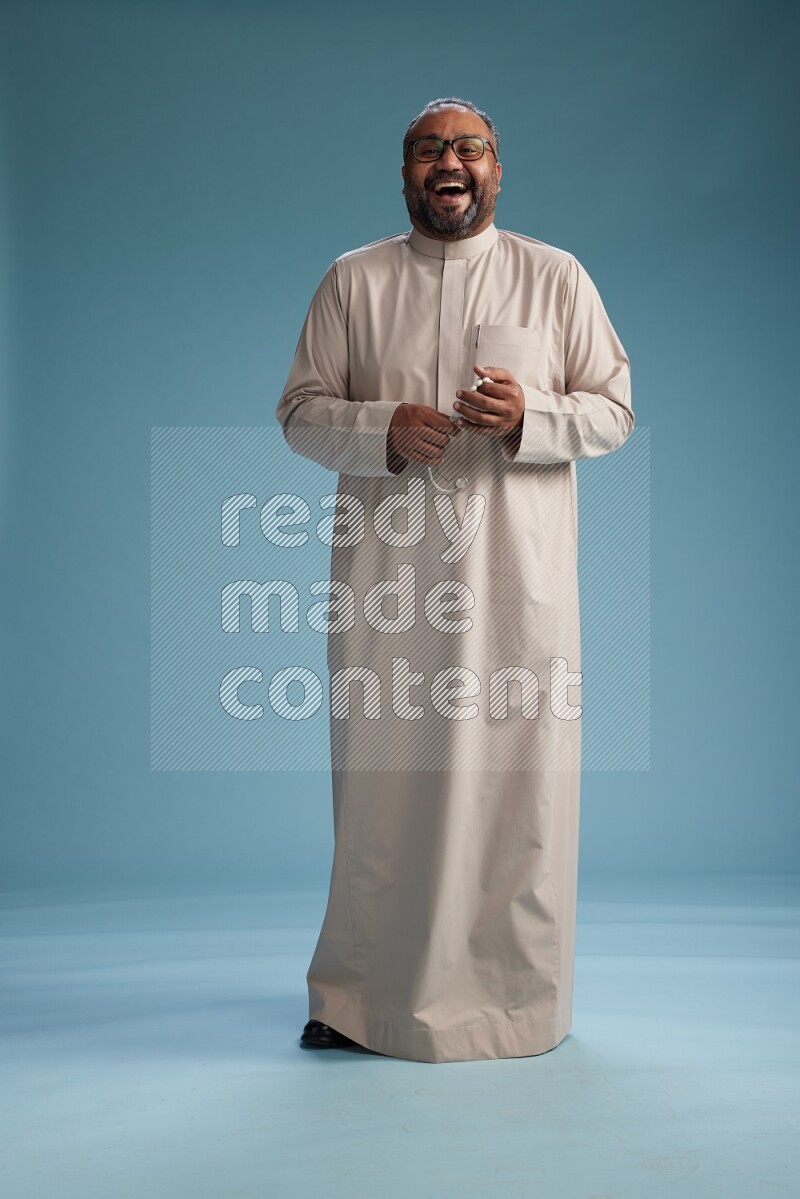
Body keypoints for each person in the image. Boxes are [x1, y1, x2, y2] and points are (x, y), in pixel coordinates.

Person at [276, 97, 633, 1064]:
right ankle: (355, 999)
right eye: (430, 149)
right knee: (383, 793)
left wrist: (532, 416)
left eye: (469, 148)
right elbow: (301, 411)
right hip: (388, 589)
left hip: (517, 589)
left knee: (518, 797)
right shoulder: (354, 281)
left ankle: (519, 1000)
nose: (451, 163)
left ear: (497, 169)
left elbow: (614, 410)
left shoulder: (554, 276)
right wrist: (379, 427)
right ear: (404, 172)